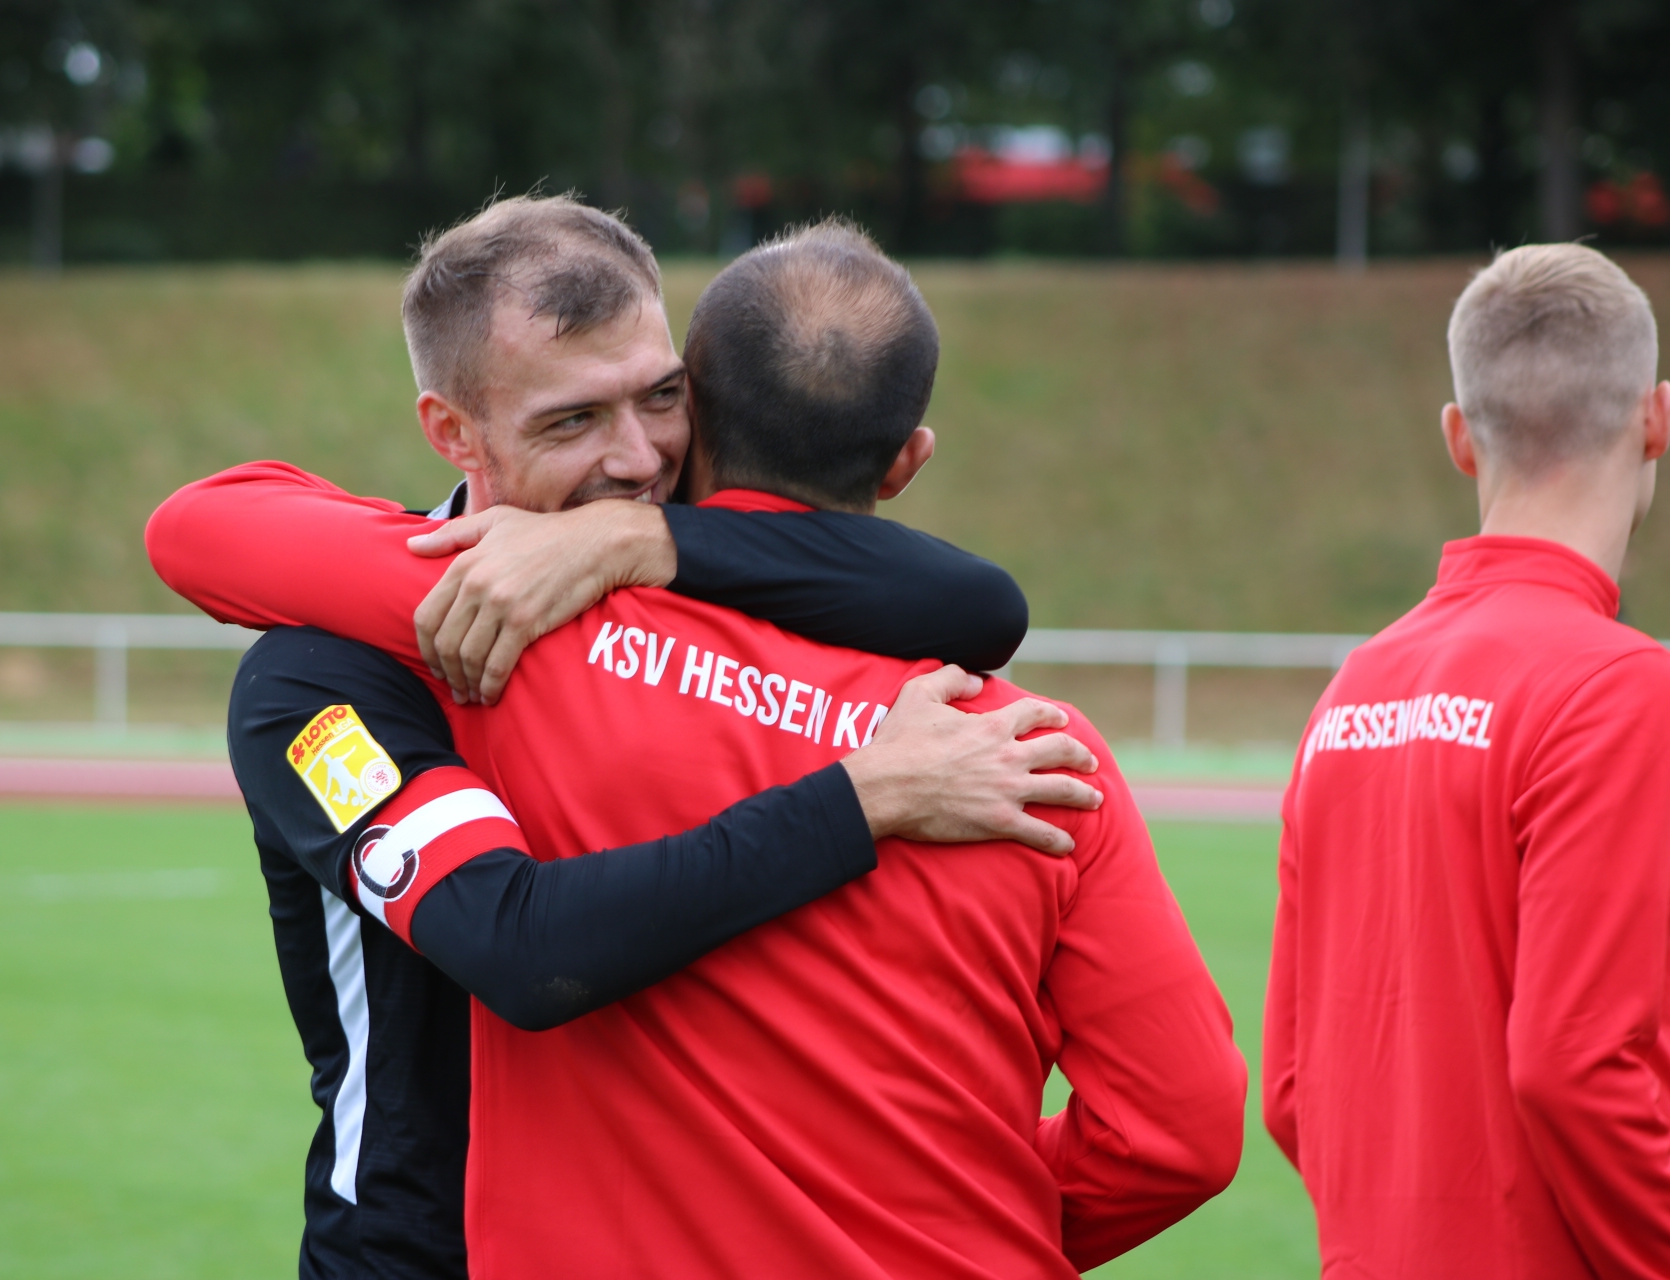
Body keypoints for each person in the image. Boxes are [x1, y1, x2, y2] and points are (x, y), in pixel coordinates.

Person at [151, 219, 1245, 1278]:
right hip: (412, 1249)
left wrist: (648, 536)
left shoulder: (658, 586)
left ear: (707, 405)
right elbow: (521, 944)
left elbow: (977, 601)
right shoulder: (335, 663)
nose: (637, 458)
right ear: (453, 431)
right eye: (572, 420)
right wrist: (856, 797)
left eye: (662, 397)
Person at [1263, 243, 1670, 1278]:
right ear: (1656, 419)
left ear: (1458, 437)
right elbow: (1578, 1065)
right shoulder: (1623, 689)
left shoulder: (1353, 691)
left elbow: (1295, 1086)